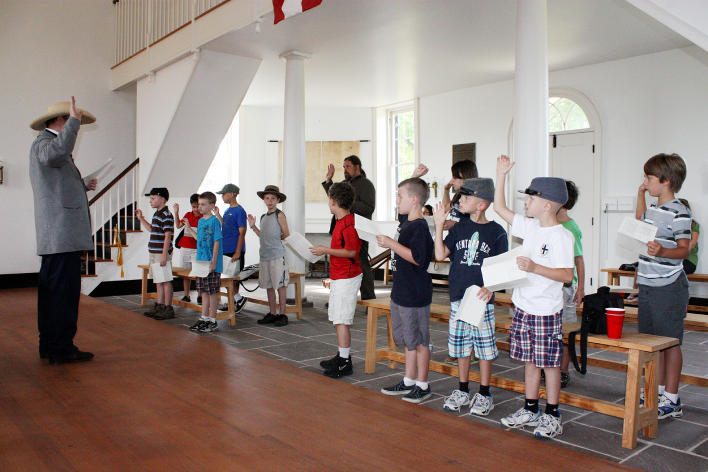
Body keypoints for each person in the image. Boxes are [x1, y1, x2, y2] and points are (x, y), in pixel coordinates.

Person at [494, 155, 574, 439]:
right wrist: (501, 174)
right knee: (530, 360)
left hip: (545, 310)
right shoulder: (530, 227)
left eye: (530, 199)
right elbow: (499, 207)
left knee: (550, 364)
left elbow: (566, 274)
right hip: (524, 307)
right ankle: (530, 408)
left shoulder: (561, 236)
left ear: (547, 205)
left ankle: (552, 414)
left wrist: (536, 267)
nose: (526, 203)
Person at [29, 96, 97, 364]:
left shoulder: (45, 146)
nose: (74, 127)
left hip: (58, 237)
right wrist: (74, 125)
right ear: (61, 120)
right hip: (61, 237)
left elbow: (55, 185)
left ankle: (51, 345)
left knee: (53, 294)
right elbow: (54, 154)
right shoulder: (45, 144)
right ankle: (61, 348)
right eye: (70, 121)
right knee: (62, 295)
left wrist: (81, 186)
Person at [433, 178, 507, 415]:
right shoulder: (459, 228)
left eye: (466, 197)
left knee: (484, 348)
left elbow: (501, 268)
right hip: (458, 297)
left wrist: (492, 287)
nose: (460, 201)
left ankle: (484, 393)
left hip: (481, 299)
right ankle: (463, 389)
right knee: (461, 347)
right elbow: (440, 253)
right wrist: (438, 226)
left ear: (482, 204)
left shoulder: (496, 232)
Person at [634, 154, 691, 418]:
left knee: (670, 342)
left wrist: (661, 252)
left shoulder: (680, 211)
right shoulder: (654, 209)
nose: (646, 181)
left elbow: (683, 250)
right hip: (647, 283)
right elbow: (639, 226)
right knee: (651, 342)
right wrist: (641, 194)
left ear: (666, 181)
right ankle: (654, 391)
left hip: (668, 286)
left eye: (649, 178)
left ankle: (672, 398)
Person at [377, 178, 435, 403]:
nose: (396, 200)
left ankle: (423, 384)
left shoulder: (420, 227)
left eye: (400, 197)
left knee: (419, 341)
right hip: (401, 291)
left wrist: (392, 244)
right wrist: (414, 175)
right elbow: (410, 196)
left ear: (414, 200)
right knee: (408, 339)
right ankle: (409, 380)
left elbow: (418, 258)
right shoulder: (407, 221)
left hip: (415, 294)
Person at [310, 182, 362, 378]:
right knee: (338, 319)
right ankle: (341, 355)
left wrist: (325, 250)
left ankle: (345, 362)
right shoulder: (342, 220)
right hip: (340, 275)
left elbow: (351, 251)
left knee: (341, 320)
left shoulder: (349, 224)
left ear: (333, 201)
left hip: (347, 277)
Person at [322, 155, 376, 300]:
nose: (345, 169)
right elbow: (334, 197)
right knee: (340, 262)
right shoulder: (345, 183)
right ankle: (339, 296)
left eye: (348, 166)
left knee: (362, 264)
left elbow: (368, 208)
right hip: (341, 228)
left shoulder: (366, 184)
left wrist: (347, 202)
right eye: (344, 167)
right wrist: (329, 180)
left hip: (359, 230)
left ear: (357, 167)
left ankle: (369, 299)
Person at [248, 185, 291, 327]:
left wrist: (276, 243)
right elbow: (263, 236)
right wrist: (254, 227)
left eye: (273, 198)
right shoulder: (263, 217)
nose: (270, 201)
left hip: (277, 255)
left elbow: (286, 234)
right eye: (267, 198)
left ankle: (282, 314)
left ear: (278, 200)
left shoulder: (280, 215)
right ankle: (272, 313)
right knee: (268, 285)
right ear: (264, 200)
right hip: (265, 256)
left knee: (280, 285)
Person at [557, 180, 585, 388]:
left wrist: (581, 288)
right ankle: (548, 366)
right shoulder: (547, 224)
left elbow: (579, 260)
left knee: (565, 331)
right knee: (550, 330)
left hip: (565, 288)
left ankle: (564, 370)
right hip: (549, 286)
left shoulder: (570, 228)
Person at [136, 187, 175, 320]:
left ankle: (168, 308)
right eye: (150, 199)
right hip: (154, 251)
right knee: (158, 280)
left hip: (160, 252)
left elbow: (168, 235)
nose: (150, 201)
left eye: (153, 198)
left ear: (162, 199)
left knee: (165, 280)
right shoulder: (157, 214)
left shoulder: (166, 215)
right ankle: (160, 305)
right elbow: (152, 230)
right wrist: (141, 219)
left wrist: (164, 255)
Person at [189, 192, 223, 333]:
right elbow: (200, 239)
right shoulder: (200, 221)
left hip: (211, 262)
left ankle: (213, 320)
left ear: (211, 205)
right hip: (201, 262)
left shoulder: (214, 221)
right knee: (203, 291)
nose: (199, 207)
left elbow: (216, 241)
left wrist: (214, 261)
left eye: (203, 204)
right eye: (199, 204)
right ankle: (204, 318)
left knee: (212, 292)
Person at [216, 183, 248, 313]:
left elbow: (242, 232)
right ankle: (233, 302)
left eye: (224, 194)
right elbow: (225, 225)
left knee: (233, 277)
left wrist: (237, 252)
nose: (222, 196)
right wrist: (218, 214)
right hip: (226, 248)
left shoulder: (239, 211)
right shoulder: (228, 210)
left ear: (232, 194)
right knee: (228, 277)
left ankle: (238, 299)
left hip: (235, 250)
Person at [173, 193, 201, 302]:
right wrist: (176, 213)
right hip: (185, 247)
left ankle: (200, 295)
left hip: (196, 248)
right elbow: (178, 225)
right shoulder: (188, 215)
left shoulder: (203, 218)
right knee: (185, 272)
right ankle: (186, 295)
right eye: (193, 206)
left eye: (197, 206)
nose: (195, 209)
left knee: (198, 273)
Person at [442, 159, 479, 230]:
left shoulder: (475, 197)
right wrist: (446, 190)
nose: (451, 181)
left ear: (465, 177)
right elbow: (445, 209)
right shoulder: (458, 195)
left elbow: (477, 223)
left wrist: (454, 224)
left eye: (455, 178)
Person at [677, 198, 699, 275]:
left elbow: (692, 244)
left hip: (688, 261)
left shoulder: (693, 225)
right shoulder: (672, 223)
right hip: (674, 260)